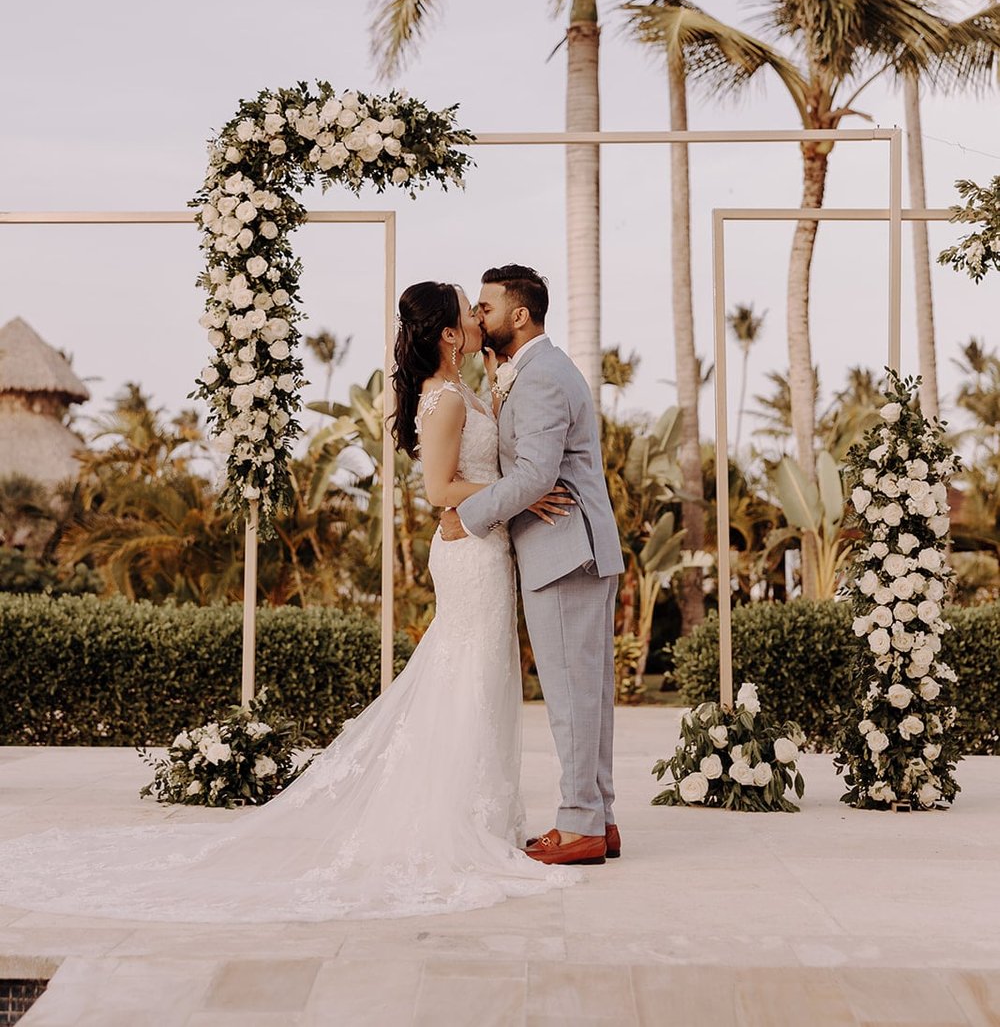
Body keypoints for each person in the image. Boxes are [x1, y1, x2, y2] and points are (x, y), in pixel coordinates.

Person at [0, 282, 577, 922]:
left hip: (484, 547)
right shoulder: (441, 400)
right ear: (447, 333)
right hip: (468, 551)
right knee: (466, 678)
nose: (476, 318)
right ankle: (454, 823)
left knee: (481, 679)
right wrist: (519, 493)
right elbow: (439, 486)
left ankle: (483, 815)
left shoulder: (467, 387)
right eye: (468, 312)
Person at [441, 265, 625, 866]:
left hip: (564, 549)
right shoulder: (534, 370)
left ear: (519, 315)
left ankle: (579, 826)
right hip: (574, 546)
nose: (479, 318)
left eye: (487, 308)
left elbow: (536, 475)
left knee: (572, 696)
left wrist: (467, 516)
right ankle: (599, 816)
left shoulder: (542, 375)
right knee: (587, 695)